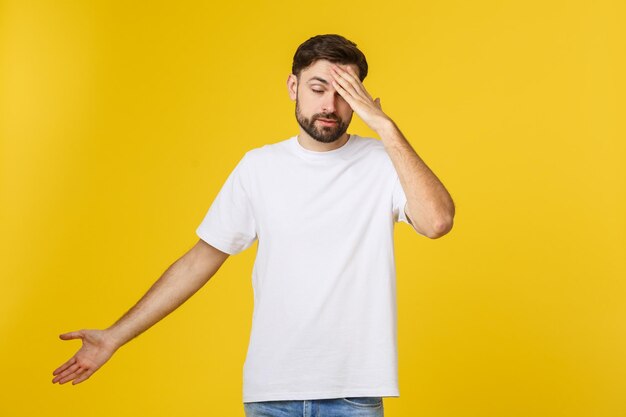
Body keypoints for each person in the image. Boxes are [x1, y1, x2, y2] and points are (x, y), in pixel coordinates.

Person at [52, 34, 455, 417]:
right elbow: (198, 262)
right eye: (318, 88)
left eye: (345, 92)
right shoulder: (259, 168)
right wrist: (114, 336)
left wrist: (385, 127)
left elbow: (436, 221)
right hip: (272, 393)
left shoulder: (384, 162)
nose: (330, 104)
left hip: (353, 393)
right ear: (293, 86)